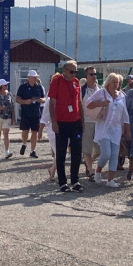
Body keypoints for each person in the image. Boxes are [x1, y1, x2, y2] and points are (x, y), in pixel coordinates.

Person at [86, 73, 129, 188]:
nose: (116, 84)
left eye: (118, 82)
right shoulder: (102, 92)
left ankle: (110, 180)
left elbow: (125, 114)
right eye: (114, 82)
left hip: (116, 129)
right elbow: (88, 103)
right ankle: (98, 170)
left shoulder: (121, 96)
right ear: (108, 82)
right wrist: (102, 103)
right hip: (103, 128)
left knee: (115, 154)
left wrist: (127, 128)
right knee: (106, 153)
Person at [48, 60, 85, 193]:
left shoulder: (76, 82)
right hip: (61, 122)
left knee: (76, 152)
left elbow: (79, 102)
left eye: (76, 71)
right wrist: (53, 121)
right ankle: (62, 182)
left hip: (75, 122)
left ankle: (75, 180)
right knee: (61, 152)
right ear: (64, 70)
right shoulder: (57, 81)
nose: (74, 73)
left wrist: (82, 119)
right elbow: (52, 103)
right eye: (71, 71)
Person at [17, 70, 45, 158]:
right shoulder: (23, 87)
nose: (35, 78)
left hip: (36, 113)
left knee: (34, 132)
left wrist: (41, 100)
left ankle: (33, 150)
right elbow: (17, 99)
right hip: (25, 112)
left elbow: (44, 98)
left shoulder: (39, 87)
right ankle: (24, 143)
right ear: (29, 78)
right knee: (25, 131)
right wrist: (25, 101)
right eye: (33, 77)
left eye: (36, 77)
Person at [40, 73, 63, 181]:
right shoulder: (50, 98)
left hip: (64, 127)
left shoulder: (64, 95)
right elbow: (44, 116)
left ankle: (52, 170)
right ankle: (61, 178)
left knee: (59, 153)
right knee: (60, 154)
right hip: (52, 130)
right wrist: (40, 131)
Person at [80, 67, 101, 180]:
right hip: (86, 122)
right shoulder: (82, 90)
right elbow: (79, 107)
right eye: (91, 74)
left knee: (99, 150)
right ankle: (91, 172)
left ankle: (88, 164)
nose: (94, 76)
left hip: (98, 123)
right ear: (86, 76)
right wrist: (81, 121)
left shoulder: (100, 89)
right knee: (87, 149)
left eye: (95, 74)